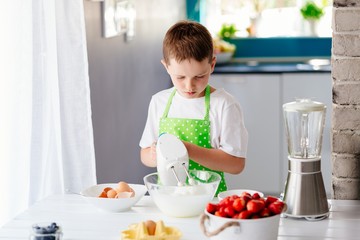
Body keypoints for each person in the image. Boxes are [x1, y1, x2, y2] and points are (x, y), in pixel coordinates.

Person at [139, 20, 248, 195]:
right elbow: (144, 154)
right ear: (166, 67)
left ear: (212, 65)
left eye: (199, 76)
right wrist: (154, 155)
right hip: (169, 199)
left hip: (209, 201)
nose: (189, 86)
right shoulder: (159, 102)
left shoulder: (224, 105)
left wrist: (187, 150)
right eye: (180, 77)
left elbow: (236, 164)